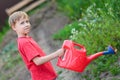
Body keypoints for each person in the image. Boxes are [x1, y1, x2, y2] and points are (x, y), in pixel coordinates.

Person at [8, 11, 65, 80]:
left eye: (27, 21)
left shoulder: (26, 39)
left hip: (46, 75)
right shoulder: (24, 42)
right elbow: (38, 61)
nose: (26, 24)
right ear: (14, 27)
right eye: (22, 23)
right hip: (44, 77)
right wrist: (57, 53)